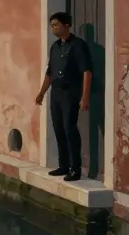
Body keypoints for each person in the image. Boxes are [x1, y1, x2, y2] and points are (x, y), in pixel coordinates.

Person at [35, 11, 94, 182]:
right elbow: (50, 72)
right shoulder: (55, 47)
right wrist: (41, 92)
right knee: (59, 129)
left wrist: (85, 96)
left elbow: (87, 71)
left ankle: (75, 169)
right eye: (52, 25)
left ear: (66, 25)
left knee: (70, 129)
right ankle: (63, 165)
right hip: (56, 93)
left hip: (70, 93)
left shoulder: (78, 45)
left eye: (56, 25)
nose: (53, 28)